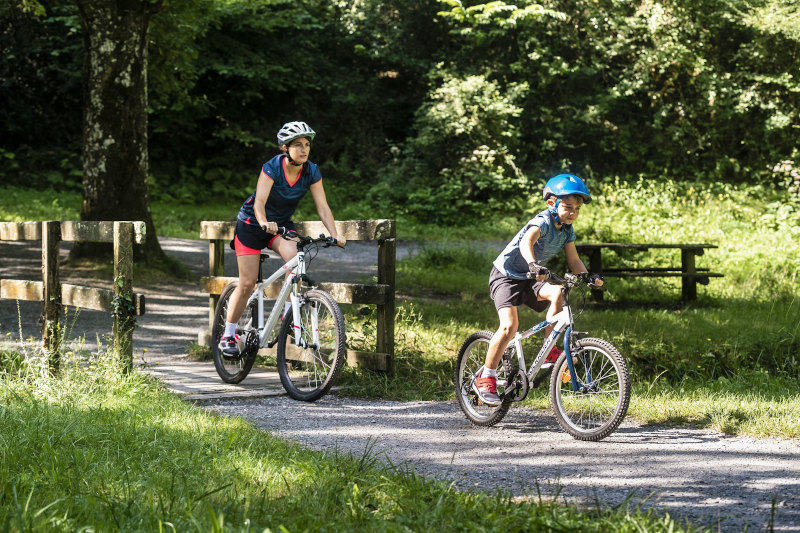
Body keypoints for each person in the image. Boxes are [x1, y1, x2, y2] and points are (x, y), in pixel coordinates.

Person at [473, 173, 603, 406]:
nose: (573, 213)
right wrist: (533, 264)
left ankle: (549, 349)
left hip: (529, 277)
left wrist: (587, 276)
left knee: (558, 292)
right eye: (568, 207)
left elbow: (573, 260)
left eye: (577, 209)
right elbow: (526, 242)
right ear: (551, 203)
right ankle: (486, 377)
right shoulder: (542, 221)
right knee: (509, 326)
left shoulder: (566, 231)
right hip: (506, 276)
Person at [218, 121, 346, 358]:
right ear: (285, 148)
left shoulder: (311, 171)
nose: (304, 149)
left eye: (307, 144)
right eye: (298, 144)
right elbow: (259, 202)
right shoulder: (272, 167)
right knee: (246, 284)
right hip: (252, 224)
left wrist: (334, 233)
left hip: (280, 227)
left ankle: (289, 319)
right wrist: (264, 222)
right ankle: (228, 335)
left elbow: (323, 206)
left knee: (296, 261)